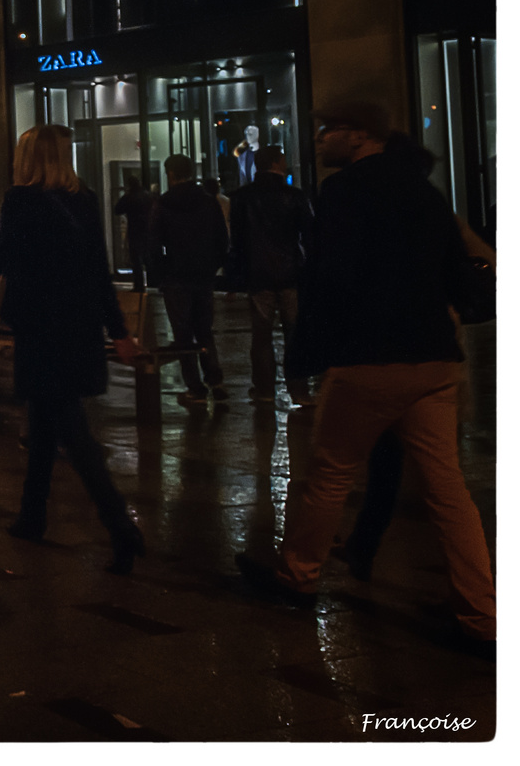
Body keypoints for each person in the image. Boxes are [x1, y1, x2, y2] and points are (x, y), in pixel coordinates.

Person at [237, 101, 494, 651]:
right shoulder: (426, 193)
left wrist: (309, 352)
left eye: (327, 131)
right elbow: (454, 274)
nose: (320, 140)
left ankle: (297, 578)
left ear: (357, 137)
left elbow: (330, 278)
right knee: (448, 490)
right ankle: (481, 614)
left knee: (329, 474)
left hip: (371, 358)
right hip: (433, 359)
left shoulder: (345, 192)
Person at [0, 125, 148, 574]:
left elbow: (12, 268)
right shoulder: (81, 199)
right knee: (44, 425)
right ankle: (31, 515)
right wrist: (117, 328)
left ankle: (120, 524)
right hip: (79, 327)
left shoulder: (20, 202)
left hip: (43, 329)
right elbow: (100, 269)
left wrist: (10, 320)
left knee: (72, 433)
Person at [227, 146, 312, 401]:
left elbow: (237, 240)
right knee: (294, 334)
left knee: (261, 335)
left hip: (258, 274)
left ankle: (264, 388)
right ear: (277, 163)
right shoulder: (295, 196)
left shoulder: (242, 197)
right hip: (290, 274)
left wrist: (236, 276)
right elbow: (309, 235)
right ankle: (298, 389)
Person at [150, 155, 228, 406]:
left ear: (170, 174)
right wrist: (212, 266)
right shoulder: (208, 201)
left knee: (182, 334)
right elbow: (221, 239)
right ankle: (215, 379)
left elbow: (153, 242)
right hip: (203, 274)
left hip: (176, 276)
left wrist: (161, 272)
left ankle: (194, 386)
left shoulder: (163, 203)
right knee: (205, 330)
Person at [112, 175, 158, 288]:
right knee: (148, 258)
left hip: (135, 229)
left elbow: (117, 209)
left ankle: (139, 284)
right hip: (148, 229)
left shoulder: (129, 197)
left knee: (136, 259)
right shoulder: (147, 196)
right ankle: (153, 282)